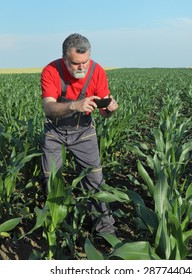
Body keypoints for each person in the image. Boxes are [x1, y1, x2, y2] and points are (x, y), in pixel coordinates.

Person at [40, 33, 117, 234]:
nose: (82, 67)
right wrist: (75, 105)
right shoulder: (51, 70)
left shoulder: (97, 71)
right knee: (52, 180)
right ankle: (55, 227)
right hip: (55, 131)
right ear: (65, 59)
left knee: (95, 179)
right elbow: (48, 108)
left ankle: (105, 231)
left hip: (83, 132)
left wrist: (109, 109)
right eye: (76, 63)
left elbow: (104, 113)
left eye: (85, 62)